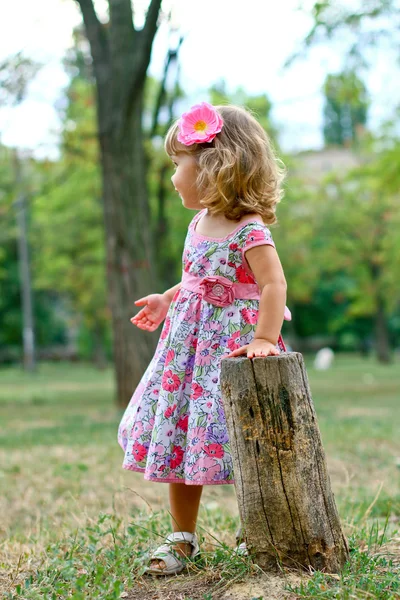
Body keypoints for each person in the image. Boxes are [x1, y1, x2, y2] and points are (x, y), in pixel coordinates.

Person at [118, 102, 290, 576]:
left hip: (232, 349)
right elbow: (196, 279)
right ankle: (182, 537)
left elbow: (274, 285)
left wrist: (265, 339)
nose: (174, 176)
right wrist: (166, 298)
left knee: (244, 439)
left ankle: (254, 530)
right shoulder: (198, 225)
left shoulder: (249, 229)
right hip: (187, 353)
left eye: (178, 164)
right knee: (181, 433)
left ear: (215, 164)